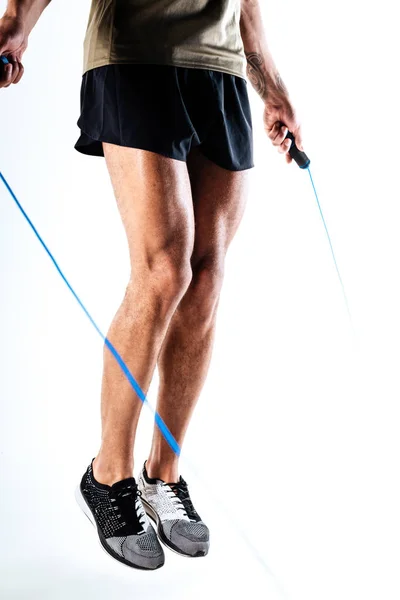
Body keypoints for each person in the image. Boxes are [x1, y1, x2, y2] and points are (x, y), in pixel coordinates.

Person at [0, 0, 304, 571]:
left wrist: (273, 88)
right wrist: (17, 24)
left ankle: (163, 473)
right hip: (136, 51)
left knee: (207, 278)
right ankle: (106, 474)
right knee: (165, 268)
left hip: (222, 66)